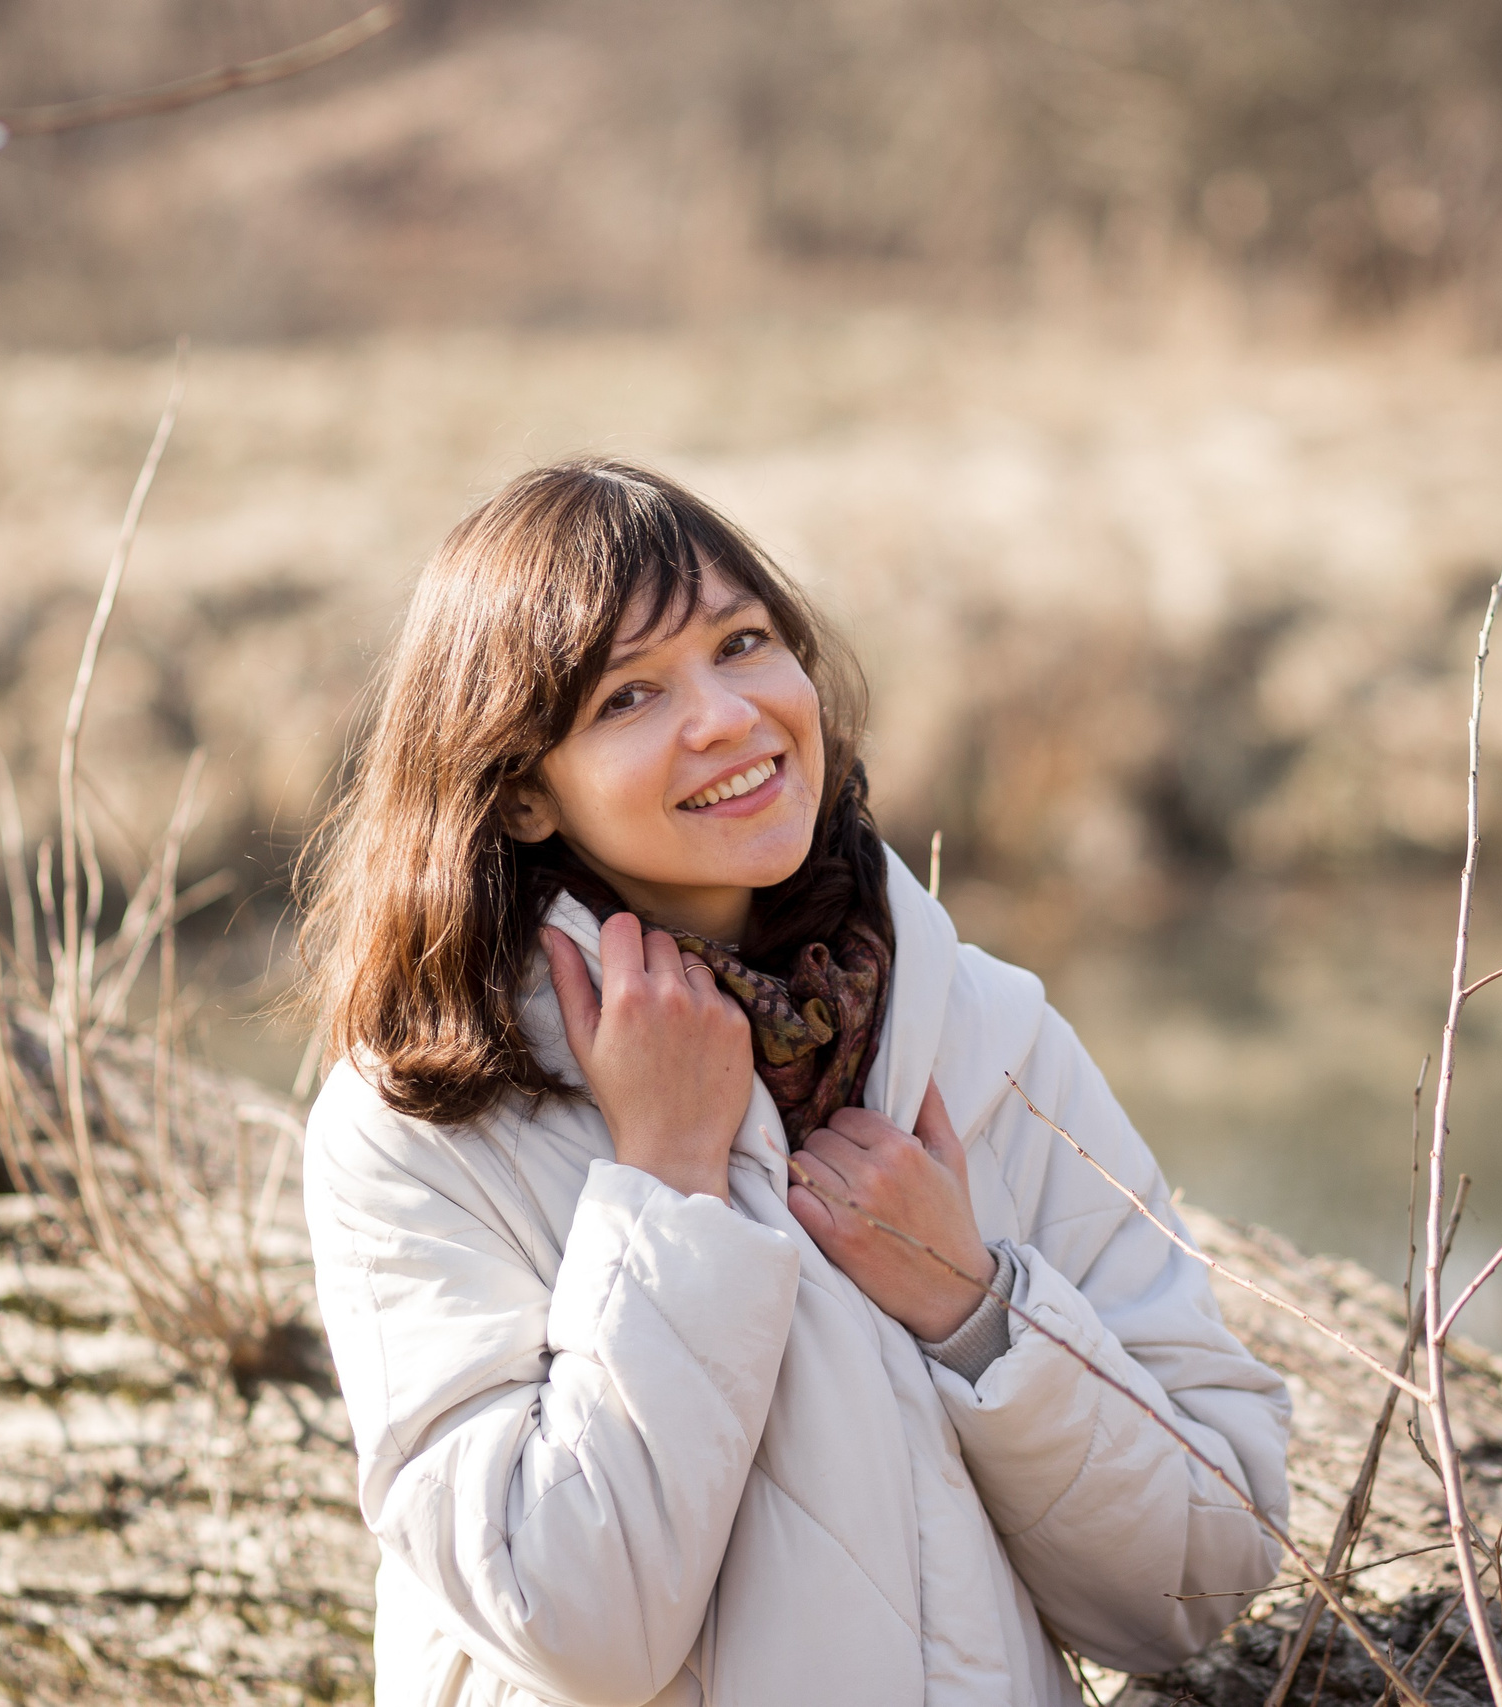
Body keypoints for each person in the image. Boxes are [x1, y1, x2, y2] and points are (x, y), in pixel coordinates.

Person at [298, 458, 1293, 1707]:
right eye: (628, 698)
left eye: (745, 641)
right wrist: (668, 1184)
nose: (724, 715)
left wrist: (977, 1313)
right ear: (521, 792)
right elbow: (567, 1627)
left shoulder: (986, 1033)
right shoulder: (422, 1124)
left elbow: (1203, 1583)